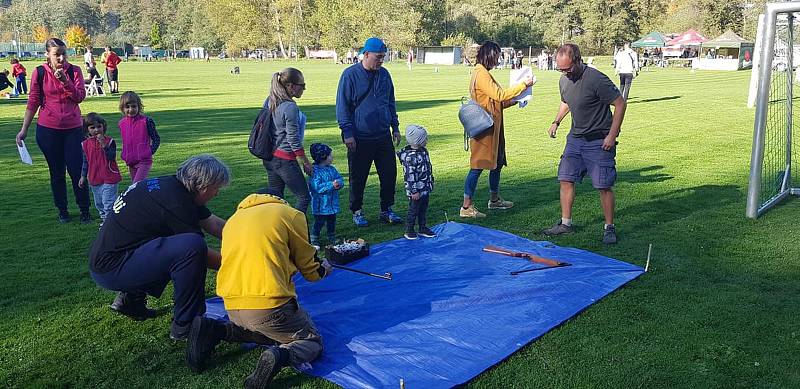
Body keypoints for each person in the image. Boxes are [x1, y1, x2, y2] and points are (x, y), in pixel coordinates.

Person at [185, 190, 332, 388]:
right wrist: (323, 268)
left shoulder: (234, 220)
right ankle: (280, 355)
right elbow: (310, 270)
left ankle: (215, 329)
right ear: (281, 201)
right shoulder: (290, 214)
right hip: (269, 305)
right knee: (312, 341)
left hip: (232, 305)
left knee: (264, 333)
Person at [88, 155, 229, 340]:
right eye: (216, 188)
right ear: (203, 186)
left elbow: (215, 225)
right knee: (191, 247)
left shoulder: (174, 187)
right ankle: (185, 325)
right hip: (112, 268)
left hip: (111, 260)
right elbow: (199, 254)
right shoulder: (176, 202)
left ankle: (131, 301)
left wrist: (248, 239)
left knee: (166, 244)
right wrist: (236, 265)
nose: (217, 193)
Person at [543, 43, 627, 244]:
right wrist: (556, 121)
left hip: (599, 139)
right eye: (561, 69)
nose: (565, 73)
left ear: (579, 60)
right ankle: (565, 223)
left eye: (568, 68)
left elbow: (620, 103)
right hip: (575, 139)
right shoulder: (564, 80)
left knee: (603, 185)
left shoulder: (596, 79)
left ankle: (609, 227)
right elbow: (566, 101)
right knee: (565, 178)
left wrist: (611, 135)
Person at [15, 38, 90, 224]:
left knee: (76, 171)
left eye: (64, 53)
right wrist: (24, 129)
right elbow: (33, 101)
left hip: (73, 129)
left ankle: (84, 210)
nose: (62, 58)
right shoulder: (40, 73)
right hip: (48, 130)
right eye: (57, 54)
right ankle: (63, 210)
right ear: (47, 54)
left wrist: (65, 81)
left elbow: (79, 97)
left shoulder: (74, 71)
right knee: (57, 172)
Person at [460, 41, 534, 218]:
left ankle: (494, 199)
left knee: (497, 164)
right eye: (497, 56)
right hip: (484, 129)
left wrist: (516, 100)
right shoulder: (481, 73)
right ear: (490, 56)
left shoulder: (483, 72)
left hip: (493, 127)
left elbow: (496, 102)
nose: (498, 60)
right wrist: (524, 85)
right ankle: (466, 207)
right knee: (477, 166)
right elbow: (499, 95)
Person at [336, 37, 403, 227]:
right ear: (366, 54)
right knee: (358, 177)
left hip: (382, 135)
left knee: (389, 174)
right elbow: (343, 106)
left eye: (383, 57)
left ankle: (386, 209)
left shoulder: (385, 74)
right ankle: (357, 211)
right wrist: (347, 132)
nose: (381, 61)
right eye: (378, 57)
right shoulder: (350, 75)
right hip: (360, 136)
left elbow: (390, 101)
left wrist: (395, 126)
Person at [263, 67, 312, 213]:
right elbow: (293, 139)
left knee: (275, 199)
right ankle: (294, 229)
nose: (304, 89)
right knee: (304, 198)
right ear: (290, 86)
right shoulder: (290, 107)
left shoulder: (270, 101)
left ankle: (276, 231)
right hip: (285, 160)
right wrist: (306, 162)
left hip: (270, 157)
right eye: (302, 85)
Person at [79, 113, 122, 227]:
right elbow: (85, 162)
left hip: (109, 177)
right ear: (87, 129)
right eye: (92, 127)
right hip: (94, 178)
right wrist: (83, 176)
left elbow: (111, 157)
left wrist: (104, 145)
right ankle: (105, 220)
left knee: (108, 203)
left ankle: (109, 225)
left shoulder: (110, 141)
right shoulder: (85, 145)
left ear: (103, 127)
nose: (96, 130)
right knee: (99, 204)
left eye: (99, 126)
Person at [398, 124, 436, 240]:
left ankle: (422, 227)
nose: (427, 141)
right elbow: (409, 176)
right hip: (416, 191)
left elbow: (427, 167)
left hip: (425, 188)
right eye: (425, 139)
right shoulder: (410, 157)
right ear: (417, 141)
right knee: (413, 210)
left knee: (423, 209)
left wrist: (430, 181)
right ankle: (409, 229)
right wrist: (414, 191)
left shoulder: (423, 151)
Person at [118, 91, 160, 183]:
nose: (131, 109)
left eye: (134, 106)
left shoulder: (146, 121)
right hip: (130, 161)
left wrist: (148, 152)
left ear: (139, 106)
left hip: (144, 161)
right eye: (127, 107)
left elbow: (156, 139)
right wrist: (125, 154)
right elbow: (125, 142)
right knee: (137, 188)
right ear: (122, 108)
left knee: (136, 185)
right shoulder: (122, 123)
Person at [308, 143, 344, 247]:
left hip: (332, 204)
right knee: (319, 222)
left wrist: (339, 183)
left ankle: (331, 236)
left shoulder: (332, 169)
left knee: (332, 221)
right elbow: (317, 187)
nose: (332, 157)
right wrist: (331, 185)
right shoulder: (314, 171)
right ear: (323, 157)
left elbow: (340, 179)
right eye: (330, 155)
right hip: (321, 205)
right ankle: (314, 238)